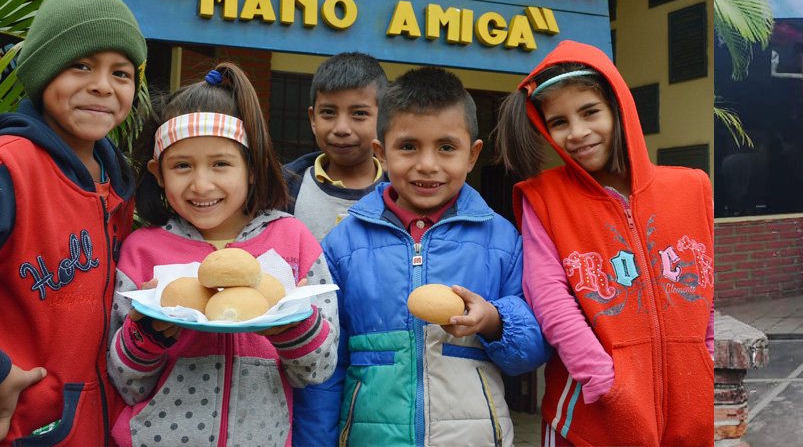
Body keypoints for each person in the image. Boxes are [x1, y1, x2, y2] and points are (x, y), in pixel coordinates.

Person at [303, 67, 550, 447]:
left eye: (447, 148)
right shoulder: (342, 244)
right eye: (408, 147)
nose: (428, 164)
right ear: (382, 154)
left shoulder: (501, 240)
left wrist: (494, 322)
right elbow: (324, 365)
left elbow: (532, 351)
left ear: (473, 155)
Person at [0, 0, 142, 444]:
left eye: (121, 72)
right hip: (20, 425)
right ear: (42, 73)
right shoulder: (2, 168)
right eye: (81, 65)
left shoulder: (116, 180)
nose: (102, 85)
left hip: (99, 423)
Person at [495, 41, 715, 445]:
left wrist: (706, 357)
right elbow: (548, 295)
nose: (577, 133)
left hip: (689, 406)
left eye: (590, 112)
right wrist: (602, 379)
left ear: (619, 107)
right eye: (558, 122)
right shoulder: (543, 197)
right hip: (590, 413)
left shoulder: (691, 186)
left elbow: (706, 281)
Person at [109, 64, 338, 446]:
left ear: (251, 168)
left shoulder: (292, 241)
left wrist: (292, 326)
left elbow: (319, 369)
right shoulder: (142, 250)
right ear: (158, 173)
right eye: (182, 166)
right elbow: (127, 386)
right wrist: (145, 333)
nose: (202, 184)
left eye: (221, 163)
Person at [283, 52, 388, 240]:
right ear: (313, 119)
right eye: (329, 112)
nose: (341, 129)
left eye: (359, 114)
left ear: (383, 120)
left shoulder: (401, 192)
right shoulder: (282, 190)